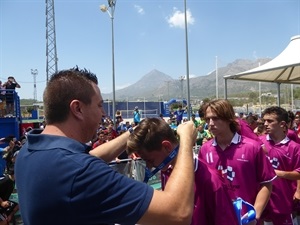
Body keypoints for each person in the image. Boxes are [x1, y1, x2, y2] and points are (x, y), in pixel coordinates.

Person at [15, 67, 197, 225]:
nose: (103, 113)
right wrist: (186, 139)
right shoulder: (80, 173)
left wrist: (133, 133)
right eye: (99, 105)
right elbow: (178, 212)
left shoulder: (28, 152)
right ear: (77, 109)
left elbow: (86, 160)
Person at [126, 117, 239, 225]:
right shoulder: (167, 172)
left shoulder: (211, 182)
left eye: (150, 160)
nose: (149, 166)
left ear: (166, 147)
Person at [198, 99, 276, 223]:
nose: (210, 123)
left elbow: (266, 183)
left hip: (246, 220)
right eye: (207, 119)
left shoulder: (252, 147)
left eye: (216, 118)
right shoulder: (205, 150)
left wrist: (254, 215)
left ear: (229, 118)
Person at [259, 106, 300, 224]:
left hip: (283, 201)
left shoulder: (295, 148)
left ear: (282, 124)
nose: (265, 124)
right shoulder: (258, 143)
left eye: (270, 121)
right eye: (264, 121)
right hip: (262, 201)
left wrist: (278, 173)